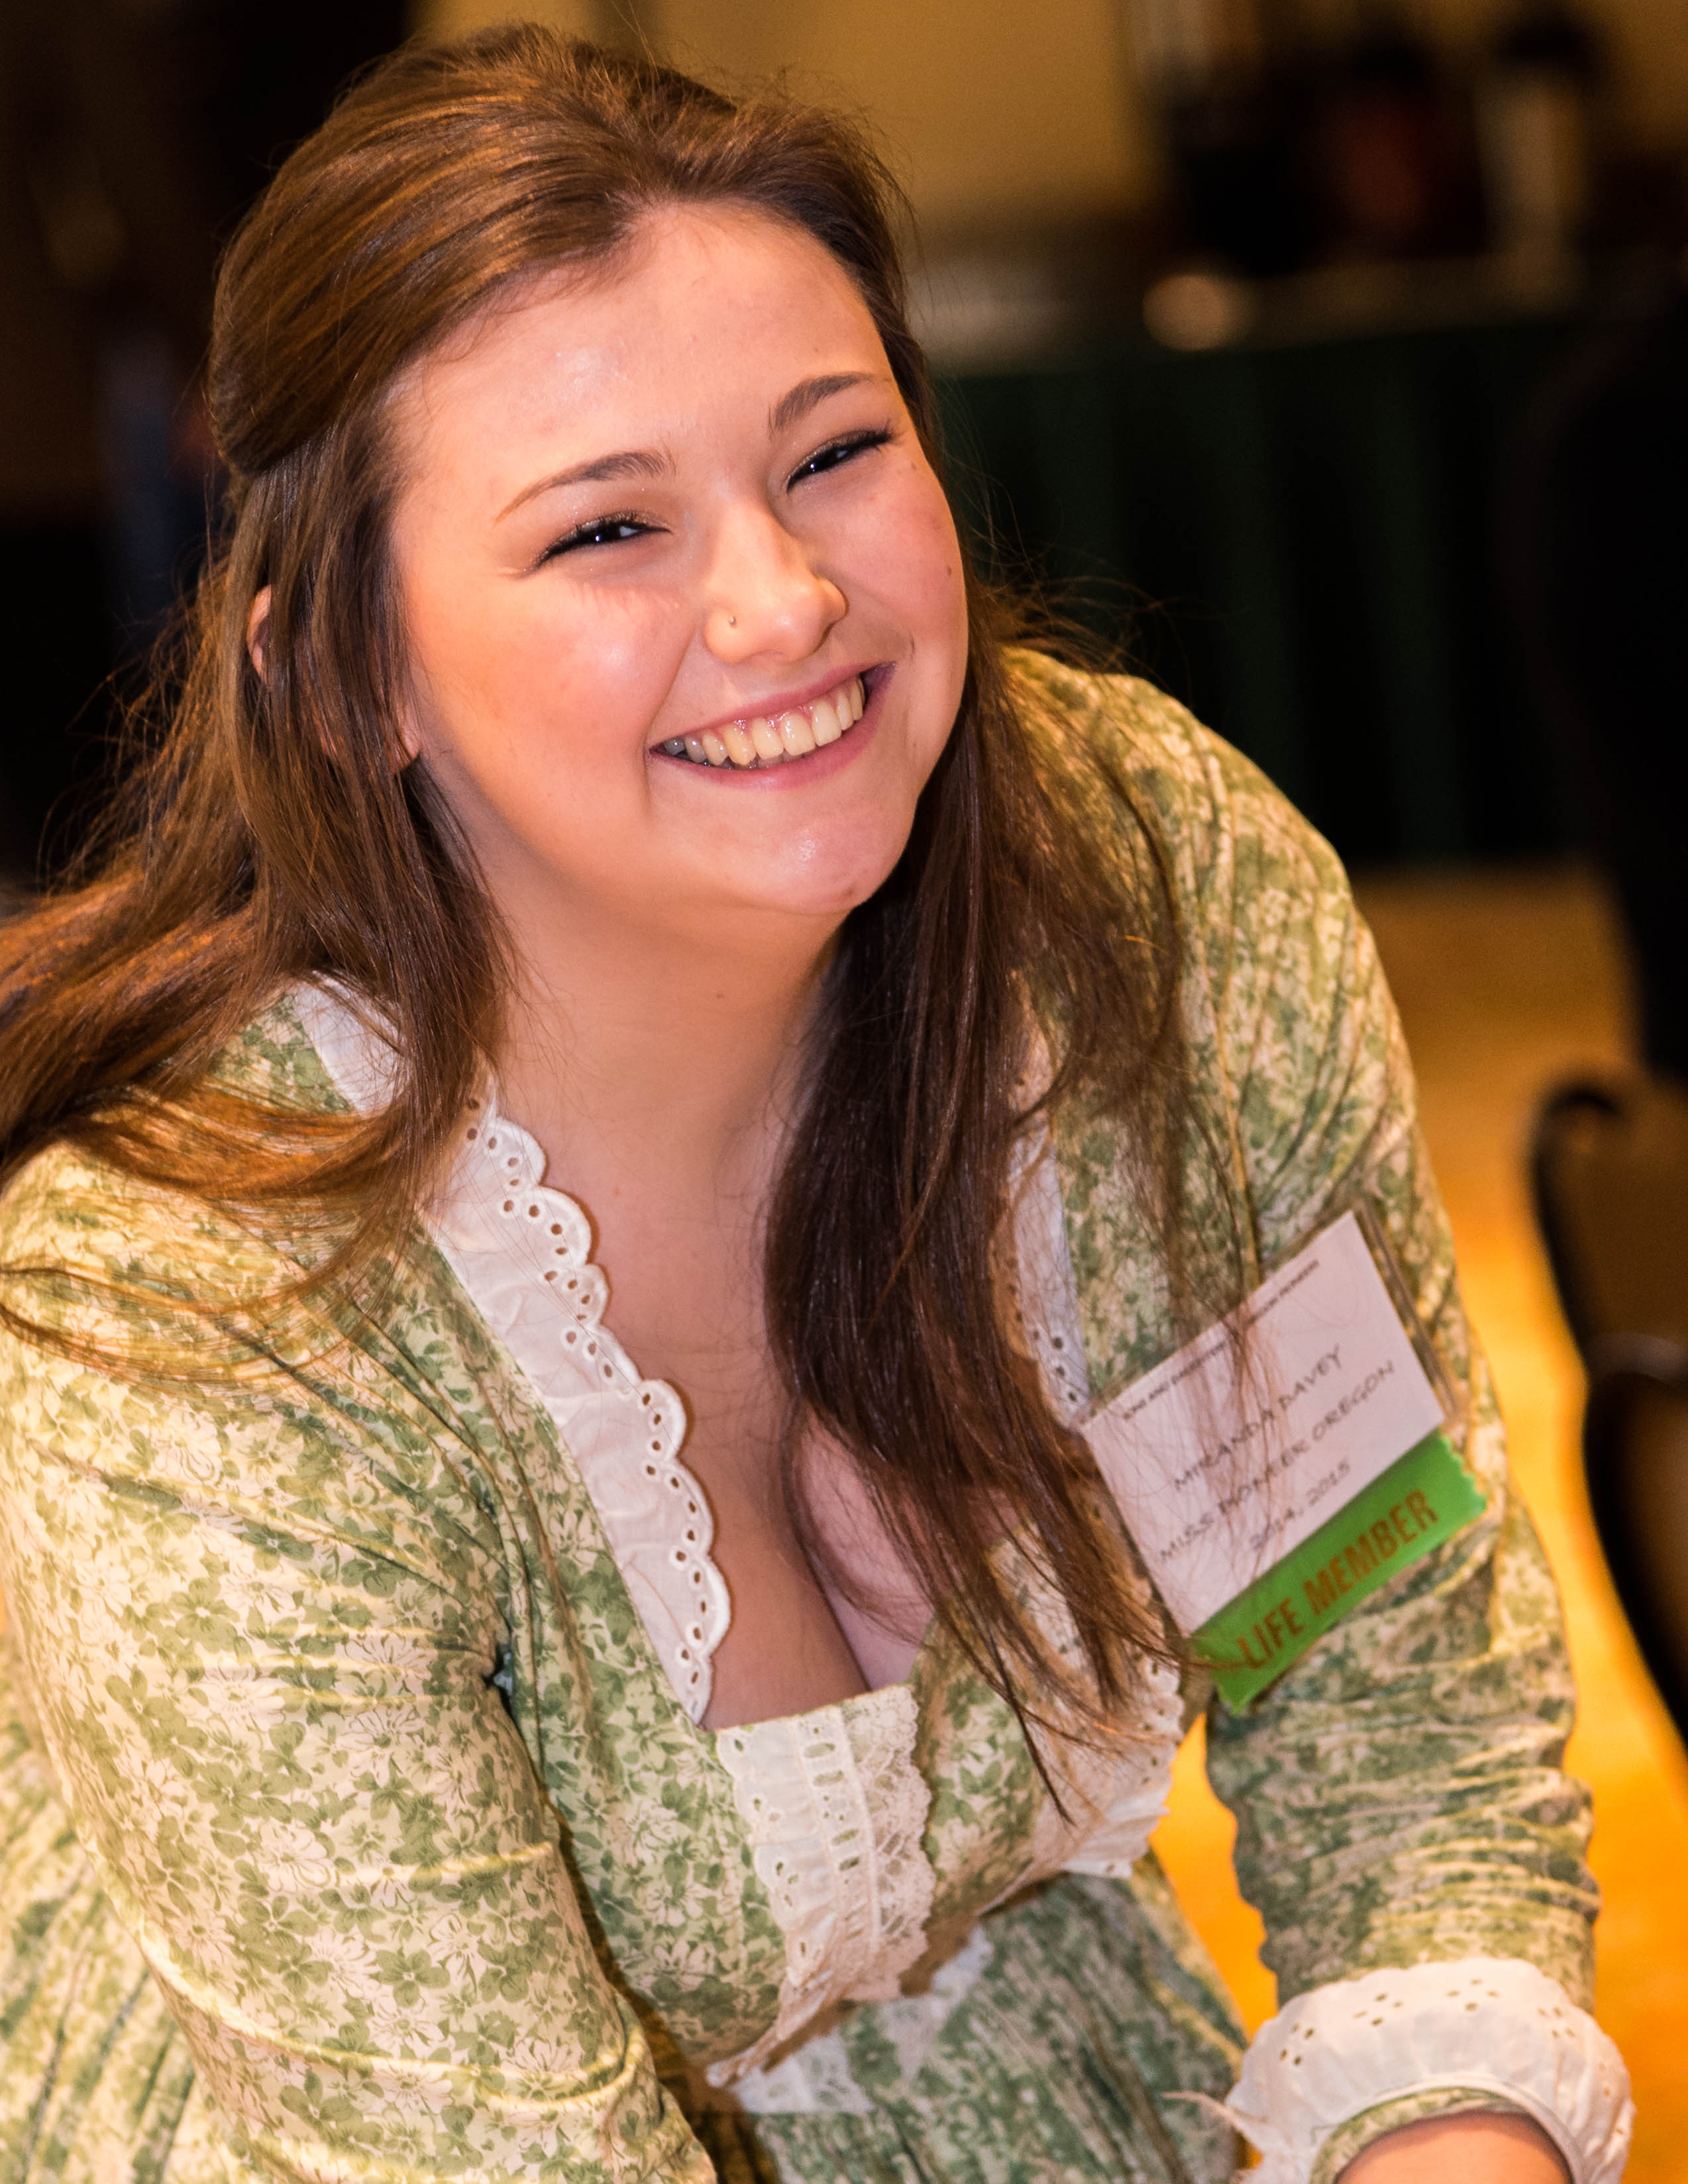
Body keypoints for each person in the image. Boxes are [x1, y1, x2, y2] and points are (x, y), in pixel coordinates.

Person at [0, 29, 1631, 2184]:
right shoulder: (199, 1317)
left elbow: (1395, 1709)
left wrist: (1450, 2141)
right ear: (345, 676)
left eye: (835, 452)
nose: (782, 604)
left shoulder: (1152, 901)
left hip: (1037, 2073)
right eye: (607, 527)